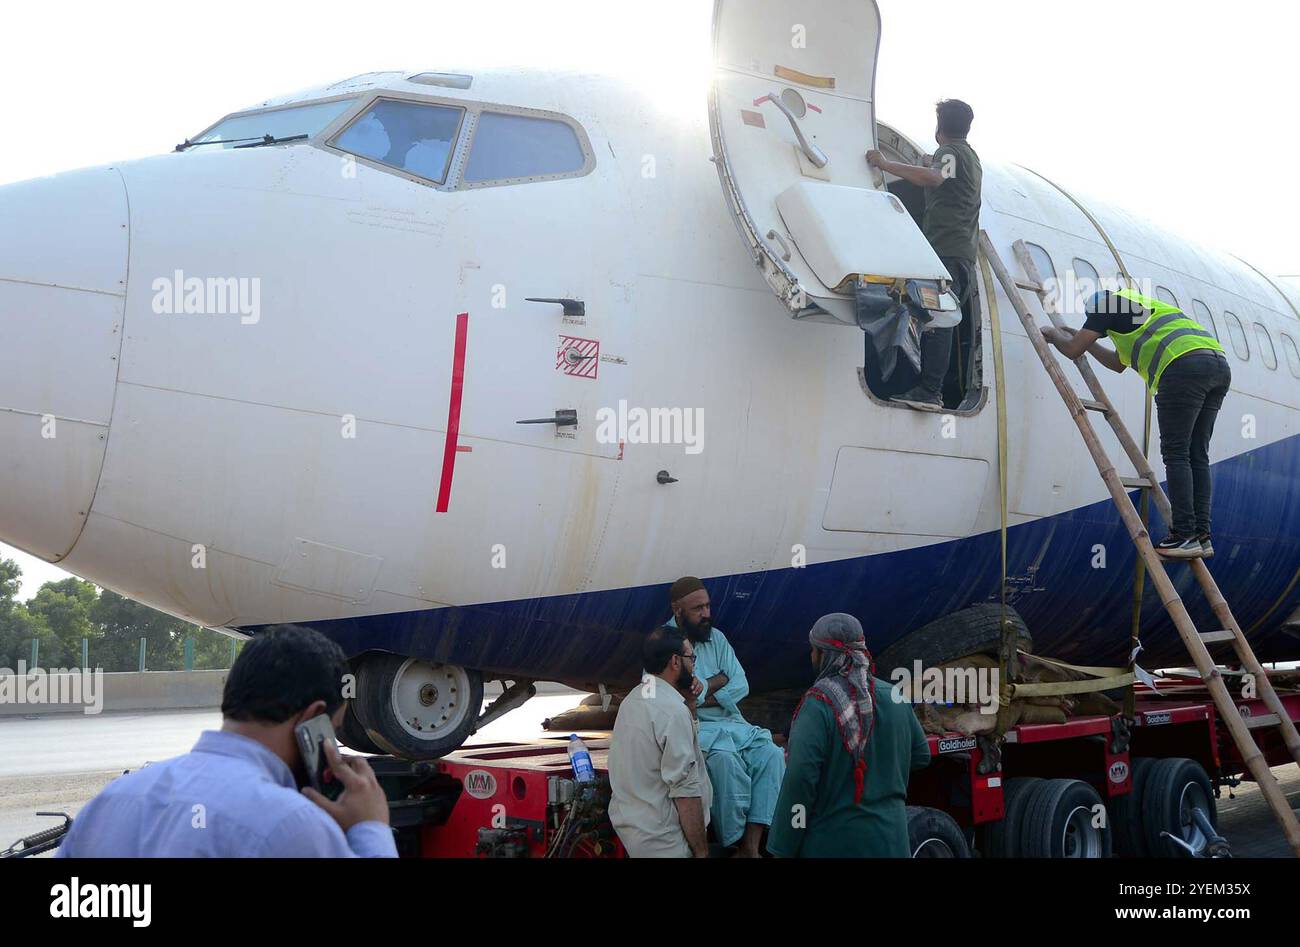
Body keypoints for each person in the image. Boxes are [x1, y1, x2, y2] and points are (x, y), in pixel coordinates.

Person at [57, 625, 397, 858]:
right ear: (312, 719)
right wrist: (370, 827)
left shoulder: (111, 801)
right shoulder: (290, 823)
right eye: (332, 732)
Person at [1041, 289, 1231, 558]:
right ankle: (1201, 535)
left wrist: (1052, 334)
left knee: (1176, 453)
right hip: (1216, 366)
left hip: (1182, 370)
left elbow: (1073, 350)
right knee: (1196, 454)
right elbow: (1117, 364)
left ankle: (1184, 535)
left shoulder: (1106, 304)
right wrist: (1089, 341)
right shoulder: (1140, 313)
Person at [767, 613, 931, 858]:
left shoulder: (819, 704)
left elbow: (800, 778)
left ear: (824, 655)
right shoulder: (894, 696)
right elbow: (921, 756)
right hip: (892, 843)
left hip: (834, 843)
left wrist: (784, 844)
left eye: (813, 651)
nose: (811, 657)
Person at [867, 99, 983, 411]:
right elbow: (941, 172)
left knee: (939, 317)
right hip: (961, 252)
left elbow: (934, 178)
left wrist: (886, 164)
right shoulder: (970, 157)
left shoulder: (950, 153)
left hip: (945, 250)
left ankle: (930, 390)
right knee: (940, 316)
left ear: (939, 127)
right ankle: (930, 387)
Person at [666, 576, 785, 858]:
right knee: (725, 762)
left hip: (732, 722)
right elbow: (674, 698)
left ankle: (751, 846)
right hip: (697, 725)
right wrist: (719, 680)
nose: (706, 614)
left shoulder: (716, 638)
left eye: (707, 606)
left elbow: (741, 683)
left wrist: (703, 689)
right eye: (698, 609)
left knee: (771, 754)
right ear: (677, 610)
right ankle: (733, 842)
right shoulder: (664, 643)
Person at [607, 625, 711, 858]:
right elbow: (686, 793)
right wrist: (702, 852)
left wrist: (691, 707)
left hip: (637, 835)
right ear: (675, 661)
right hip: (667, 841)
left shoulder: (634, 699)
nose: (694, 664)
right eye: (691, 657)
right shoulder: (672, 711)